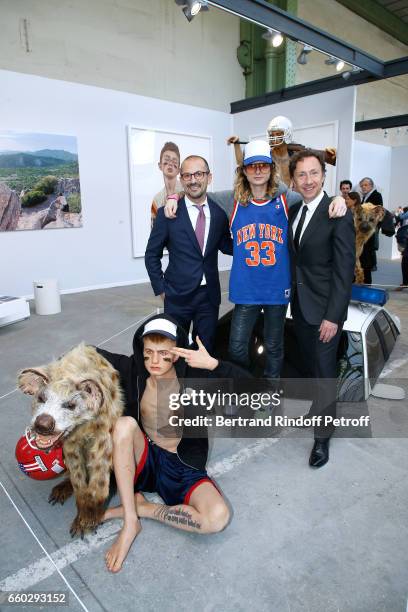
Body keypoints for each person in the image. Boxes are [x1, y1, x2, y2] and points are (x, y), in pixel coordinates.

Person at [162, 143, 347, 382]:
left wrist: (338, 198)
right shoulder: (232, 200)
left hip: (276, 289)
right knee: (237, 346)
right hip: (246, 289)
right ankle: (245, 385)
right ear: (244, 171)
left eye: (263, 165)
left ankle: (269, 393)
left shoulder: (286, 199)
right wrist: (174, 196)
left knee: (274, 346)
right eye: (252, 166)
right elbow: (197, 192)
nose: (258, 171)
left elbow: (312, 195)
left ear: (271, 169)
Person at [98, 314, 249, 572]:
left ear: (177, 353)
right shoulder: (133, 370)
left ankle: (145, 509)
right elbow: (88, 355)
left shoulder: (196, 378)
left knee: (217, 518)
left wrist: (214, 365)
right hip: (143, 458)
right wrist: (47, 375)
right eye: (148, 352)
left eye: (163, 353)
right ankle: (130, 520)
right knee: (124, 426)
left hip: (182, 466)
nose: (154, 361)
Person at [288, 149, 355, 468]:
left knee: (325, 374)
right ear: (294, 180)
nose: (308, 180)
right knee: (311, 368)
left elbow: (344, 272)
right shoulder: (294, 212)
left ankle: (322, 439)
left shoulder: (338, 212)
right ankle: (319, 410)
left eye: (314, 173)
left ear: (324, 176)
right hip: (301, 309)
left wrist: (333, 317)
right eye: (301, 174)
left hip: (325, 312)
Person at [145, 155, 233, 352]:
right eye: (187, 175)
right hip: (176, 296)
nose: (193, 180)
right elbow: (151, 255)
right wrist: (161, 289)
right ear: (182, 179)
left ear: (209, 177)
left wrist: (252, 241)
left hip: (208, 298)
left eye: (199, 174)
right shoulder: (167, 214)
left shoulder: (219, 214)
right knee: (174, 351)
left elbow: (226, 245)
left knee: (205, 350)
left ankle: (200, 384)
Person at [227, 115, 337, 188]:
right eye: (272, 134)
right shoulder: (267, 154)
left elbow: (325, 160)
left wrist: (331, 154)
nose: (274, 137)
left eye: (278, 134)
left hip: (295, 198)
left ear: (286, 134)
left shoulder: (297, 154)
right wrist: (237, 144)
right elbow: (242, 162)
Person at [151, 142, 182, 226]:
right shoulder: (157, 199)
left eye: (174, 161)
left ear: (179, 169)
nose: (171, 163)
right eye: (167, 160)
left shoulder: (187, 191)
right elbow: (154, 229)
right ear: (160, 165)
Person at [358, 178, 383, 285]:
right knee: (363, 259)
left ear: (371, 186)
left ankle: (367, 285)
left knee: (366, 260)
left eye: (366, 185)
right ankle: (363, 283)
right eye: (362, 185)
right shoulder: (365, 196)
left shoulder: (376, 196)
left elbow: (378, 214)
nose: (363, 187)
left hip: (369, 232)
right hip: (363, 232)